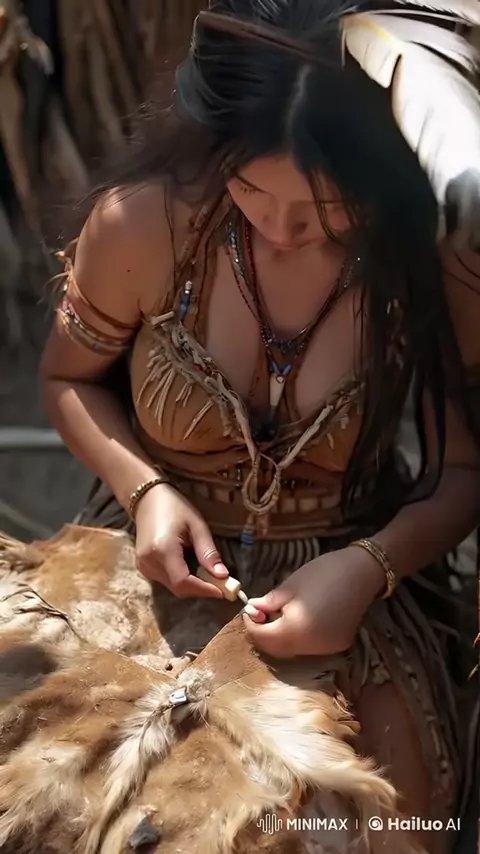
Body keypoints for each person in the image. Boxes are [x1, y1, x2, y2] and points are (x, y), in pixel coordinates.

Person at [40, 1, 480, 851]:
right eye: (249, 188)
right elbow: (66, 380)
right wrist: (148, 491)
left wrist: (366, 570)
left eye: (324, 207)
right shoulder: (142, 225)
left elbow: (463, 473)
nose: (279, 229)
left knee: (366, 821)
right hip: (147, 573)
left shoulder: (431, 263)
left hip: (352, 589)